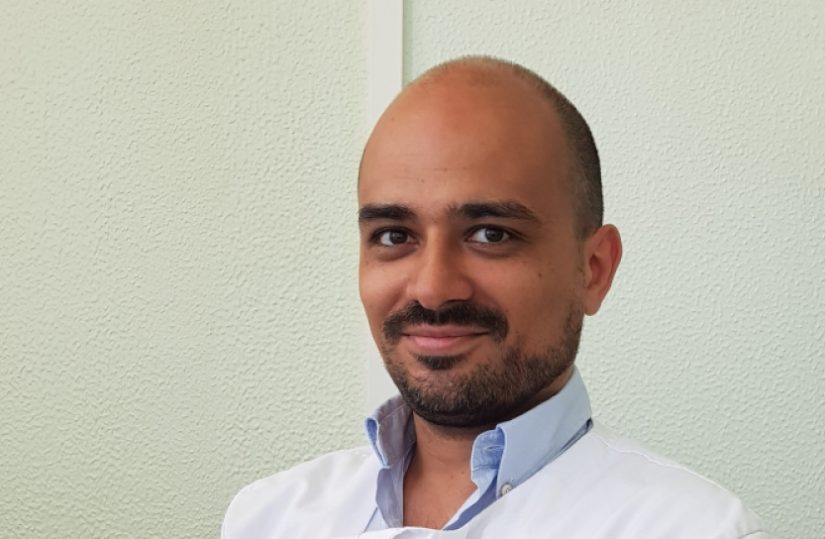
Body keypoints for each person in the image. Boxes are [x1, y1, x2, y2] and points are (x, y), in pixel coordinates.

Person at [221, 56, 768, 538]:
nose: (433, 288)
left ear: (594, 270)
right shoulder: (268, 520)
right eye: (393, 235)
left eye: (490, 234)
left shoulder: (700, 530)